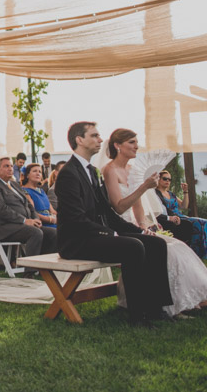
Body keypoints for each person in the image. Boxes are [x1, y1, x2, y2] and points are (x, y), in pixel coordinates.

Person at [56, 121, 172, 326]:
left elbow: (107, 214)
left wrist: (140, 230)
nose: (101, 140)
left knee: (155, 243)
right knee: (133, 247)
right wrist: (111, 234)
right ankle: (138, 314)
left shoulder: (91, 171)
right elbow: (76, 220)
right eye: (94, 136)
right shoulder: (68, 174)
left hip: (94, 236)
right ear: (79, 140)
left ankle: (156, 307)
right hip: (76, 242)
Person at [101, 129, 207, 315]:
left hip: (136, 225)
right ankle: (168, 304)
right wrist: (145, 186)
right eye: (132, 142)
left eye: (137, 142)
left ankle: (191, 298)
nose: (137, 146)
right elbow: (119, 207)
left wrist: (143, 225)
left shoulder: (131, 170)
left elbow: (137, 206)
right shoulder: (110, 170)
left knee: (179, 247)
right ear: (117, 145)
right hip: (120, 226)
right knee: (168, 249)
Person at [0, 157, 57, 260]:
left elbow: (29, 205)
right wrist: (24, 220)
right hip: (6, 227)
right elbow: (1, 210)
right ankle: (30, 270)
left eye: (11, 166)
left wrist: (35, 218)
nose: (10, 169)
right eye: (6, 166)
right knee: (36, 233)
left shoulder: (14, 184)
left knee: (53, 233)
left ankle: (45, 266)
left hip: (24, 224)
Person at [155, 171, 207, 260]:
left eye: (169, 179)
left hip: (180, 216)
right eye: (165, 178)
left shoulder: (171, 194)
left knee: (205, 222)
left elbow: (184, 206)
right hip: (172, 218)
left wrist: (185, 192)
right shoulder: (156, 194)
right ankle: (195, 252)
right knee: (199, 222)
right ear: (158, 179)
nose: (167, 181)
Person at [21, 163, 57, 228]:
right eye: (34, 171)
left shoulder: (42, 191)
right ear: (27, 175)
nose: (38, 173)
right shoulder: (25, 191)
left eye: (40, 172)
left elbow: (52, 211)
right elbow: (32, 213)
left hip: (52, 221)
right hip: (40, 224)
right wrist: (50, 220)